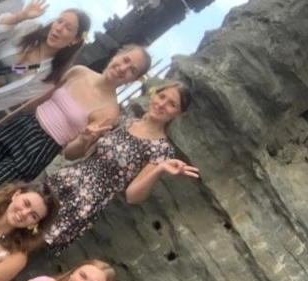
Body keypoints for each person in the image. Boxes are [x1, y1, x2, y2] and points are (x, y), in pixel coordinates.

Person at [0, 44, 152, 208]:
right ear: (116, 55)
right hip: (21, 125)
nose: (123, 68)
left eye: (132, 70)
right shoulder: (79, 72)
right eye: (124, 60)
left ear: (132, 80)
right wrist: (4, 121)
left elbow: (71, 153)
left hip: (41, 147)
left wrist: (85, 138)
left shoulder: (110, 111)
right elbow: (41, 100)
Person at [45, 82, 198, 251]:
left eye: (172, 104)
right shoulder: (124, 121)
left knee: (29, 244)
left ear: (179, 114)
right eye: (162, 96)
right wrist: (84, 138)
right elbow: (70, 154)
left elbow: (132, 196)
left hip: (84, 202)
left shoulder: (161, 149)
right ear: (154, 94)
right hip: (63, 180)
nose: (162, 104)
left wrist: (160, 169)